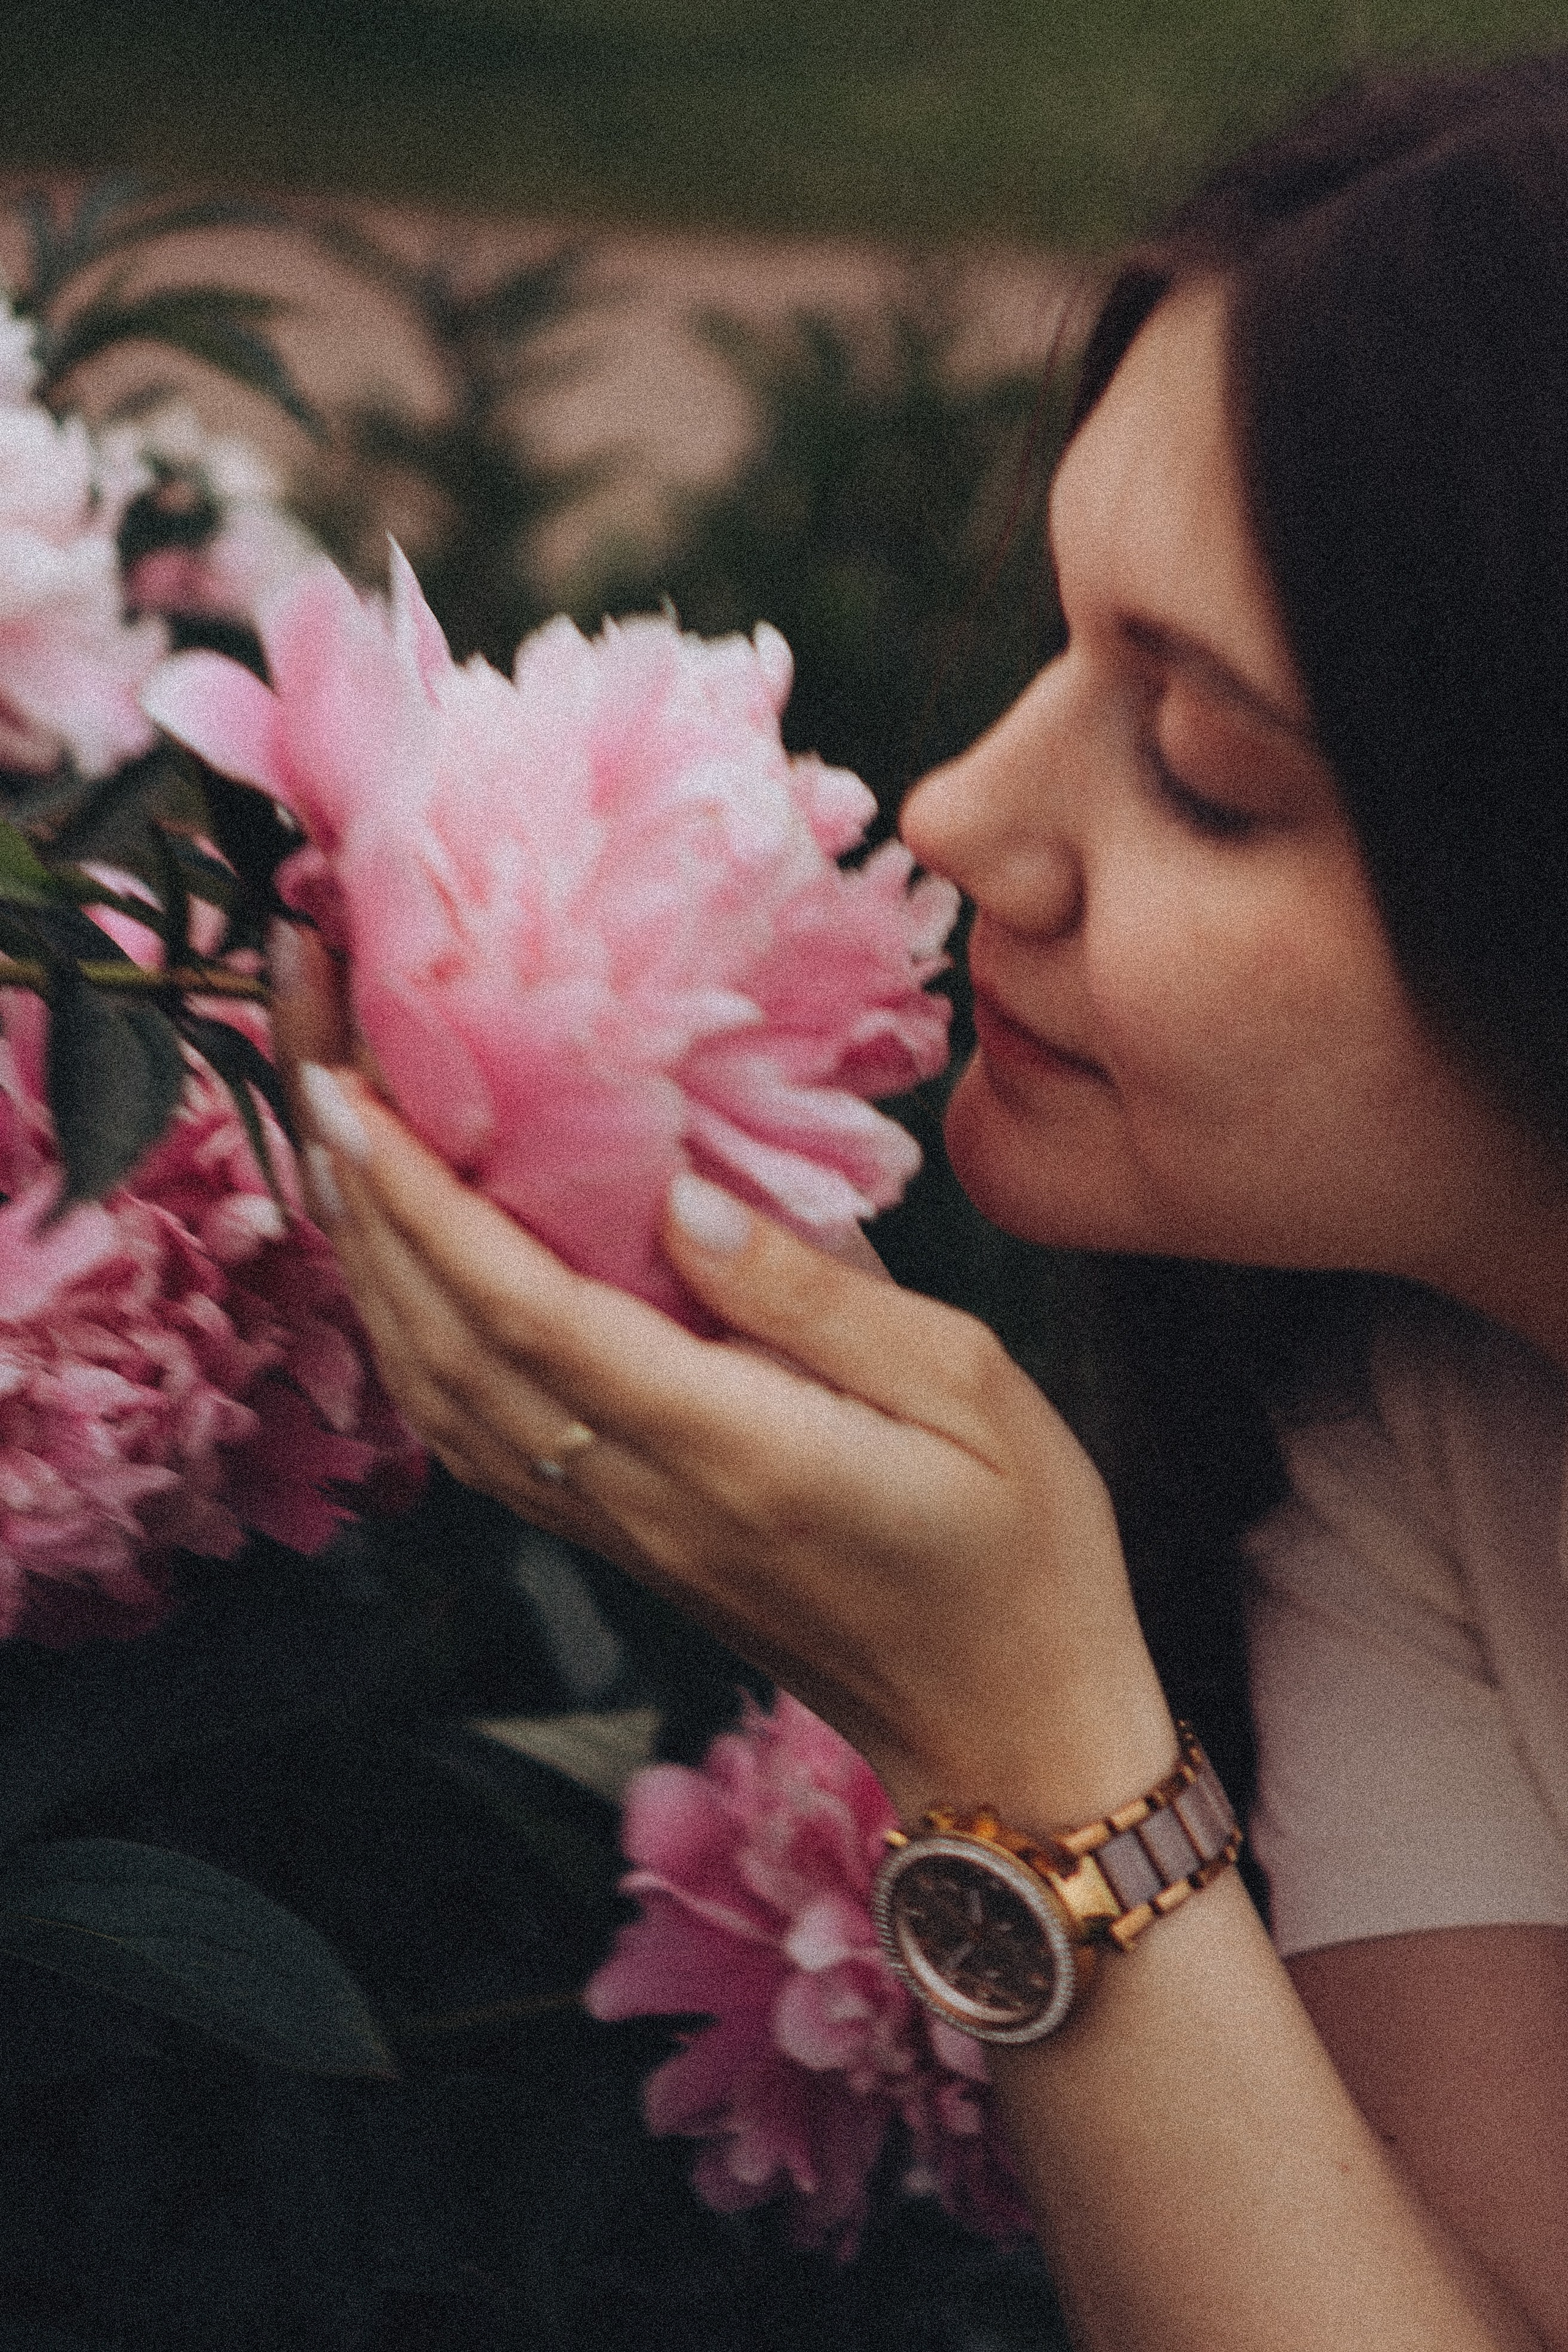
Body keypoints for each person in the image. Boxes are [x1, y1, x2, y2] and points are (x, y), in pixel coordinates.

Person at [271, 55, 1568, 2351]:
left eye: (1206, 770)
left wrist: (1022, 1735)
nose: (961, 813)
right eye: (1067, 641)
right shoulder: (1420, 1407)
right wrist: (1014, 1692)